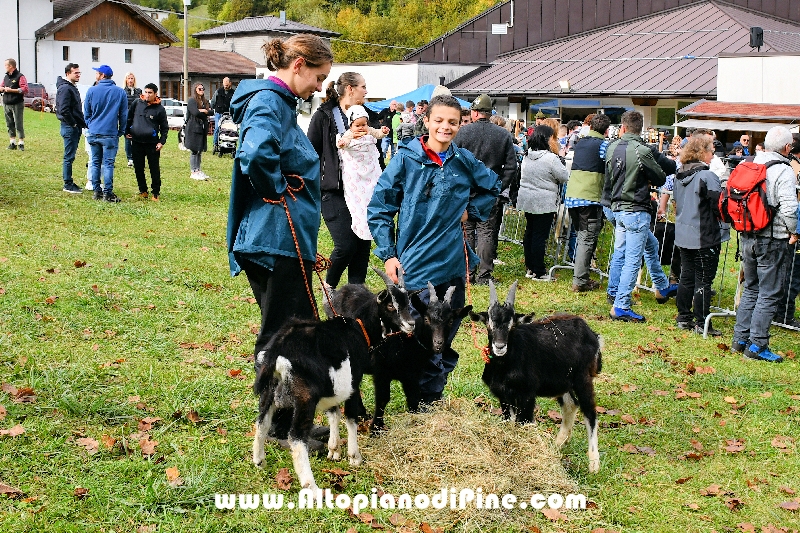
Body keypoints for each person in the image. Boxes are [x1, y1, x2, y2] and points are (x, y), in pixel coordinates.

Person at [226, 34, 333, 449]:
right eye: (320, 77)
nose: (321, 87)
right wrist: (274, 188)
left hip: (283, 240)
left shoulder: (279, 102)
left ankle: (282, 421)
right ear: (299, 64)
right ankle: (281, 426)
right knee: (286, 336)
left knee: (292, 332)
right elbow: (255, 153)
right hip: (275, 240)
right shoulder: (269, 101)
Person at [368, 94, 500, 404]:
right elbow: (379, 207)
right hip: (414, 265)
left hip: (453, 264)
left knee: (444, 333)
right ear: (425, 121)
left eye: (453, 122)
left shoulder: (464, 160)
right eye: (438, 120)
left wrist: (471, 210)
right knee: (413, 335)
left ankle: (430, 397)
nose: (445, 127)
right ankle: (413, 393)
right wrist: (388, 253)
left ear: (461, 124)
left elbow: (494, 186)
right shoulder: (405, 159)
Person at [732, 126, 798, 362]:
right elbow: (790, 208)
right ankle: (758, 345)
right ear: (787, 148)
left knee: (751, 287)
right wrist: (794, 232)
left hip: (748, 234)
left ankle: (740, 340)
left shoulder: (749, 163)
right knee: (769, 292)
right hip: (773, 237)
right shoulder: (783, 170)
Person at [603, 111, 675, 322]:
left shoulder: (612, 147)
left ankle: (661, 287)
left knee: (649, 246)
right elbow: (661, 177)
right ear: (640, 128)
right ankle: (621, 304)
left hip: (618, 207)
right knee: (632, 259)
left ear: (623, 127)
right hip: (636, 208)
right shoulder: (642, 150)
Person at [308, 72, 377, 288]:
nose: (366, 91)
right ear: (350, 89)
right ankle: (329, 289)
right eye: (363, 87)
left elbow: (373, 148)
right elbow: (310, 152)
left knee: (362, 245)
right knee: (346, 245)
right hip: (334, 191)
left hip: (362, 190)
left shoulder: (365, 116)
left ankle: (356, 297)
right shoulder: (324, 116)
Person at [454, 93, 517, 285]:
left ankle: (468, 273)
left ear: (474, 113)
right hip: (489, 192)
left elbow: (453, 162)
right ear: (490, 113)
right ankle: (484, 275)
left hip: (466, 191)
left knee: (467, 231)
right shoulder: (504, 134)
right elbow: (512, 167)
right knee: (486, 233)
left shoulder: (462, 133)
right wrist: (499, 187)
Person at [673, 135, 724, 336]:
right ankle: (702, 321)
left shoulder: (679, 174)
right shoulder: (707, 176)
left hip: (684, 233)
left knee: (687, 276)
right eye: (711, 151)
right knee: (704, 279)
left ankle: (683, 316)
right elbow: (718, 205)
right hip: (703, 235)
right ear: (702, 152)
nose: (713, 155)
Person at [565, 113, 611, 292]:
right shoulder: (603, 146)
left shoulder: (580, 142)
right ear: (606, 131)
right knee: (587, 239)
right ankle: (580, 281)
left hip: (572, 196)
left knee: (581, 237)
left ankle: (581, 275)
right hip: (590, 198)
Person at [518, 125, 569, 280]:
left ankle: (530, 267)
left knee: (530, 233)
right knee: (540, 236)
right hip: (544, 201)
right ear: (548, 139)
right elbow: (564, 176)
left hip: (528, 199)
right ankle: (539, 271)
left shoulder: (528, 155)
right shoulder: (551, 158)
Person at [335, 104, 389, 241]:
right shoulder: (349, 134)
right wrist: (343, 144)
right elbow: (343, 142)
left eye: (364, 124)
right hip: (356, 170)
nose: (361, 128)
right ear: (351, 125)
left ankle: (374, 222)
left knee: (373, 195)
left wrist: (383, 131)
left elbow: (378, 134)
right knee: (359, 200)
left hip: (370, 168)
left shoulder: (369, 130)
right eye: (358, 125)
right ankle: (361, 224)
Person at [84, 64, 128, 203]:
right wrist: (121, 130)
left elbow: (86, 112)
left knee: (95, 162)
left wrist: (90, 125)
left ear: (102, 75)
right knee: (108, 163)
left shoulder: (92, 90)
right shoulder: (120, 92)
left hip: (94, 131)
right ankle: (107, 192)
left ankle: (97, 190)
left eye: (97, 73)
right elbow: (124, 114)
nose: (96, 75)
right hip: (110, 133)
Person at [125, 83, 168, 201]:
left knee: (154, 168)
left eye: (150, 93)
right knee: (138, 168)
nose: (147, 95)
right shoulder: (137, 103)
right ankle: (143, 190)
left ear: (155, 94)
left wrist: (161, 142)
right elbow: (129, 118)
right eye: (146, 92)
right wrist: (126, 131)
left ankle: (155, 192)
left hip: (152, 144)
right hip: (137, 142)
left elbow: (164, 128)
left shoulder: (160, 109)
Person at [55, 63, 87, 194]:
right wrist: (73, 124)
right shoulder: (66, 89)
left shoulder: (71, 87)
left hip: (73, 126)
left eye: (79, 72)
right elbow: (64, 109)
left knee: (71, 156)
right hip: (69, 127)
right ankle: (67, 183)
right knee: (69, 156)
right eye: (76, 73)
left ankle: (69, 181)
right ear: (68, 73)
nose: (78, 75)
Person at [185, 83, 211, 180]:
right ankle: (193, 171)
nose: (202, 90)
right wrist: (205, 112)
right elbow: (194, 112)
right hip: (193, 128)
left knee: (199, 150)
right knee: (194, 150)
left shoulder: (205, 101)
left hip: (202, 128)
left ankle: (198, 170)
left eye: (203, 88)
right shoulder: (192, 100)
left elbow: (212, 111)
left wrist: (204, 110)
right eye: (199, 88)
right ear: (195, 90)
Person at [1, 58, 28, 151]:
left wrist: (12, 90)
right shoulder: (6, 77)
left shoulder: (20, 76)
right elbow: (2, 85)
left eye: (6, 65)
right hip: (6, 102)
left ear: (11, 66)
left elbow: (24, 89)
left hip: (17, 103)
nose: (5, 67)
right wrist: (2, 88)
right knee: (9, 123)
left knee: (18, 123)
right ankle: (12, 142)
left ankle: (21, 143)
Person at [122, 72, 142, 167]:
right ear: (126, 80)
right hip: (126, 117)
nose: (130, 80)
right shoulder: (123, 91)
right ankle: (129, 158)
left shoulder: (139, 91)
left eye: (132, 78)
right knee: (127, 137)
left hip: (137, 117)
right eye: (128, 78)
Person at [211, 77, 235, 148]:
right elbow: (213, 102)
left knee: (230, 129)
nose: (226, 86)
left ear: (230, 83)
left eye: (227, 84)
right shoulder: (218, 91)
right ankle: (215, 144)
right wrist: (214, 109)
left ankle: (230, 144)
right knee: (217, 128)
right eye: (224, 84)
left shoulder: (233, 93)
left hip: (229, 114)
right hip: (219, 113)